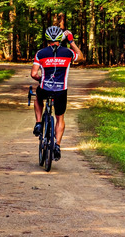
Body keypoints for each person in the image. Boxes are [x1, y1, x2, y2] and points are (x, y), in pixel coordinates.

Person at [30, 25, 83, 161]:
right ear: (61, 38)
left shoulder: (40, 53)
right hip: (61, 90)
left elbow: (34, 74)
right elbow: (81, 57)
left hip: (45, 88)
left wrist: (42, 79)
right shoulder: (68, 53)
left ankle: (38, 123)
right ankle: (57, 145)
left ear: (47, 38)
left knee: (38, 96)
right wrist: (71, 41)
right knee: (60, 117)